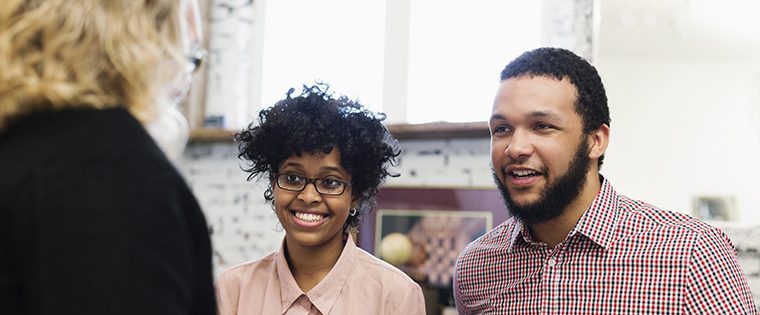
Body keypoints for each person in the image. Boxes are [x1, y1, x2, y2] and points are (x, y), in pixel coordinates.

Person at [453, 47, 758, 314]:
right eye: (502, 129)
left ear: (595, 141)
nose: (515, 147)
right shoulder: (475, 267)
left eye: (542, 126)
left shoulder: (693, 255)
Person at [0, 0, 216, 314]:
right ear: (142, 35)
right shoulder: (103, 171)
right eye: (186, 53)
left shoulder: (24, 148)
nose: (184, 79)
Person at [214, 84, 426, 315]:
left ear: (355, 194)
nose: (308, 196)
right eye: (293, 177)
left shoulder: (396, 296)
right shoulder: (232, 290)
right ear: (274, 183)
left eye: (330, 182)